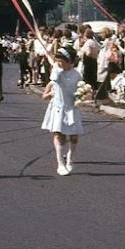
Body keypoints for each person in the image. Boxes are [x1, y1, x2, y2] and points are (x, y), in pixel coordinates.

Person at [41, 46, 84, 176]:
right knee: (59, 135)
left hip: (72, 108)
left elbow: (80, 89)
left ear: (70, 61)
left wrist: (83, 95)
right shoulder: (56, 71)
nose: (59, 62)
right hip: (59, 107)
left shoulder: (77, 74)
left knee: (74, 137)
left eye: (62, 60)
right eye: (58, 60)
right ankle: (60, 164)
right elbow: (54, 79)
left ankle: (70, 158)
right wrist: (57, 66)